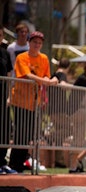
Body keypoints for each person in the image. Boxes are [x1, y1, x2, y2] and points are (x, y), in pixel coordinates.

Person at [9, 31, 58, 173]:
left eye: (39, 43)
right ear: (29, 43)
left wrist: (51, 81)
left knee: (29, 134)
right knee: (20, 133)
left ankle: (21, 162)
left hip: (34, 103)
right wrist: (48, 81)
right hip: (20, 100)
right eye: (34, 42)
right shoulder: (22, 57)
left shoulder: (44, 58)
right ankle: (14, 164)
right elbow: (27, 75)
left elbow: (47, 76)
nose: (37, 45)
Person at [0, 25, 17, 174]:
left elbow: (10, 73)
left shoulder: (5, 53)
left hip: (3, 97)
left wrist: (10, 95)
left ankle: (2, 162)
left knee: (6, 129)